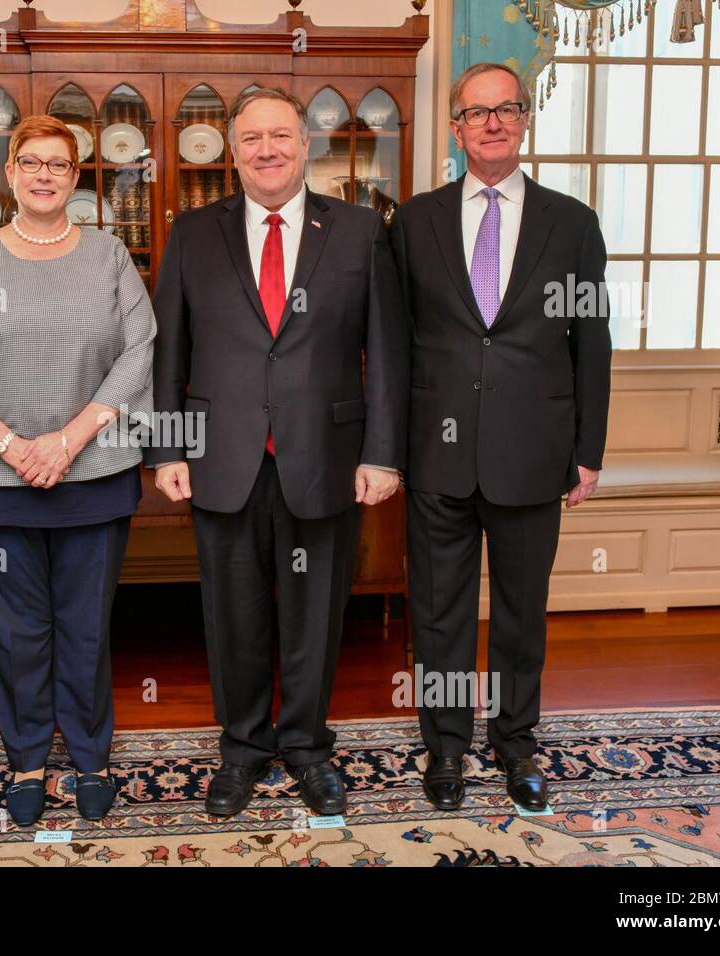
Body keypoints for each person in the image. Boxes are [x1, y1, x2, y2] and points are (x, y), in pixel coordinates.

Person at [148, 88, 410, 817]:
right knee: (232, 618)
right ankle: (241, 750)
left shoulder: (359, 230)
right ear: (233, 153)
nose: (267, 149)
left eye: (281, 136)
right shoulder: (194, 233)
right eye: (252, 138)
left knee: (315, 616)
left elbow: (384, 352)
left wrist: (383, 455)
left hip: (325, 457)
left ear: (306, 146)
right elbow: (170, 348)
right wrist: (167, 447)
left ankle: (306, 748)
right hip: (221, 460)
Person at [390, 63, 612, 812]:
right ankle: (446, 747)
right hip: (435, 453)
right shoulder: (413, 221)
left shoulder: (572, 222)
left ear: (523, 121)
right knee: (439, 612)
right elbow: (393, 345)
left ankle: (516, 745)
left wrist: (589, 451)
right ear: (455, 128)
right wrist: (387, 448)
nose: (492, 122)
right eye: (476, 112)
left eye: (506, 109)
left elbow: (593, 342)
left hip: (534, 451)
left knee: (522, 613)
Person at [0, 115, 156, 827]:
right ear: (11, 172)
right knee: (17, 630)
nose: (45, 174)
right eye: (31, 162)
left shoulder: (110, 256)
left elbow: (139, 351)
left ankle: (90, 757)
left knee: (84, 626)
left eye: (59, 163)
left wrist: (67, 440)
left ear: (76, 175)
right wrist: (12, 447)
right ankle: (26, 758)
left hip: (91, 476)